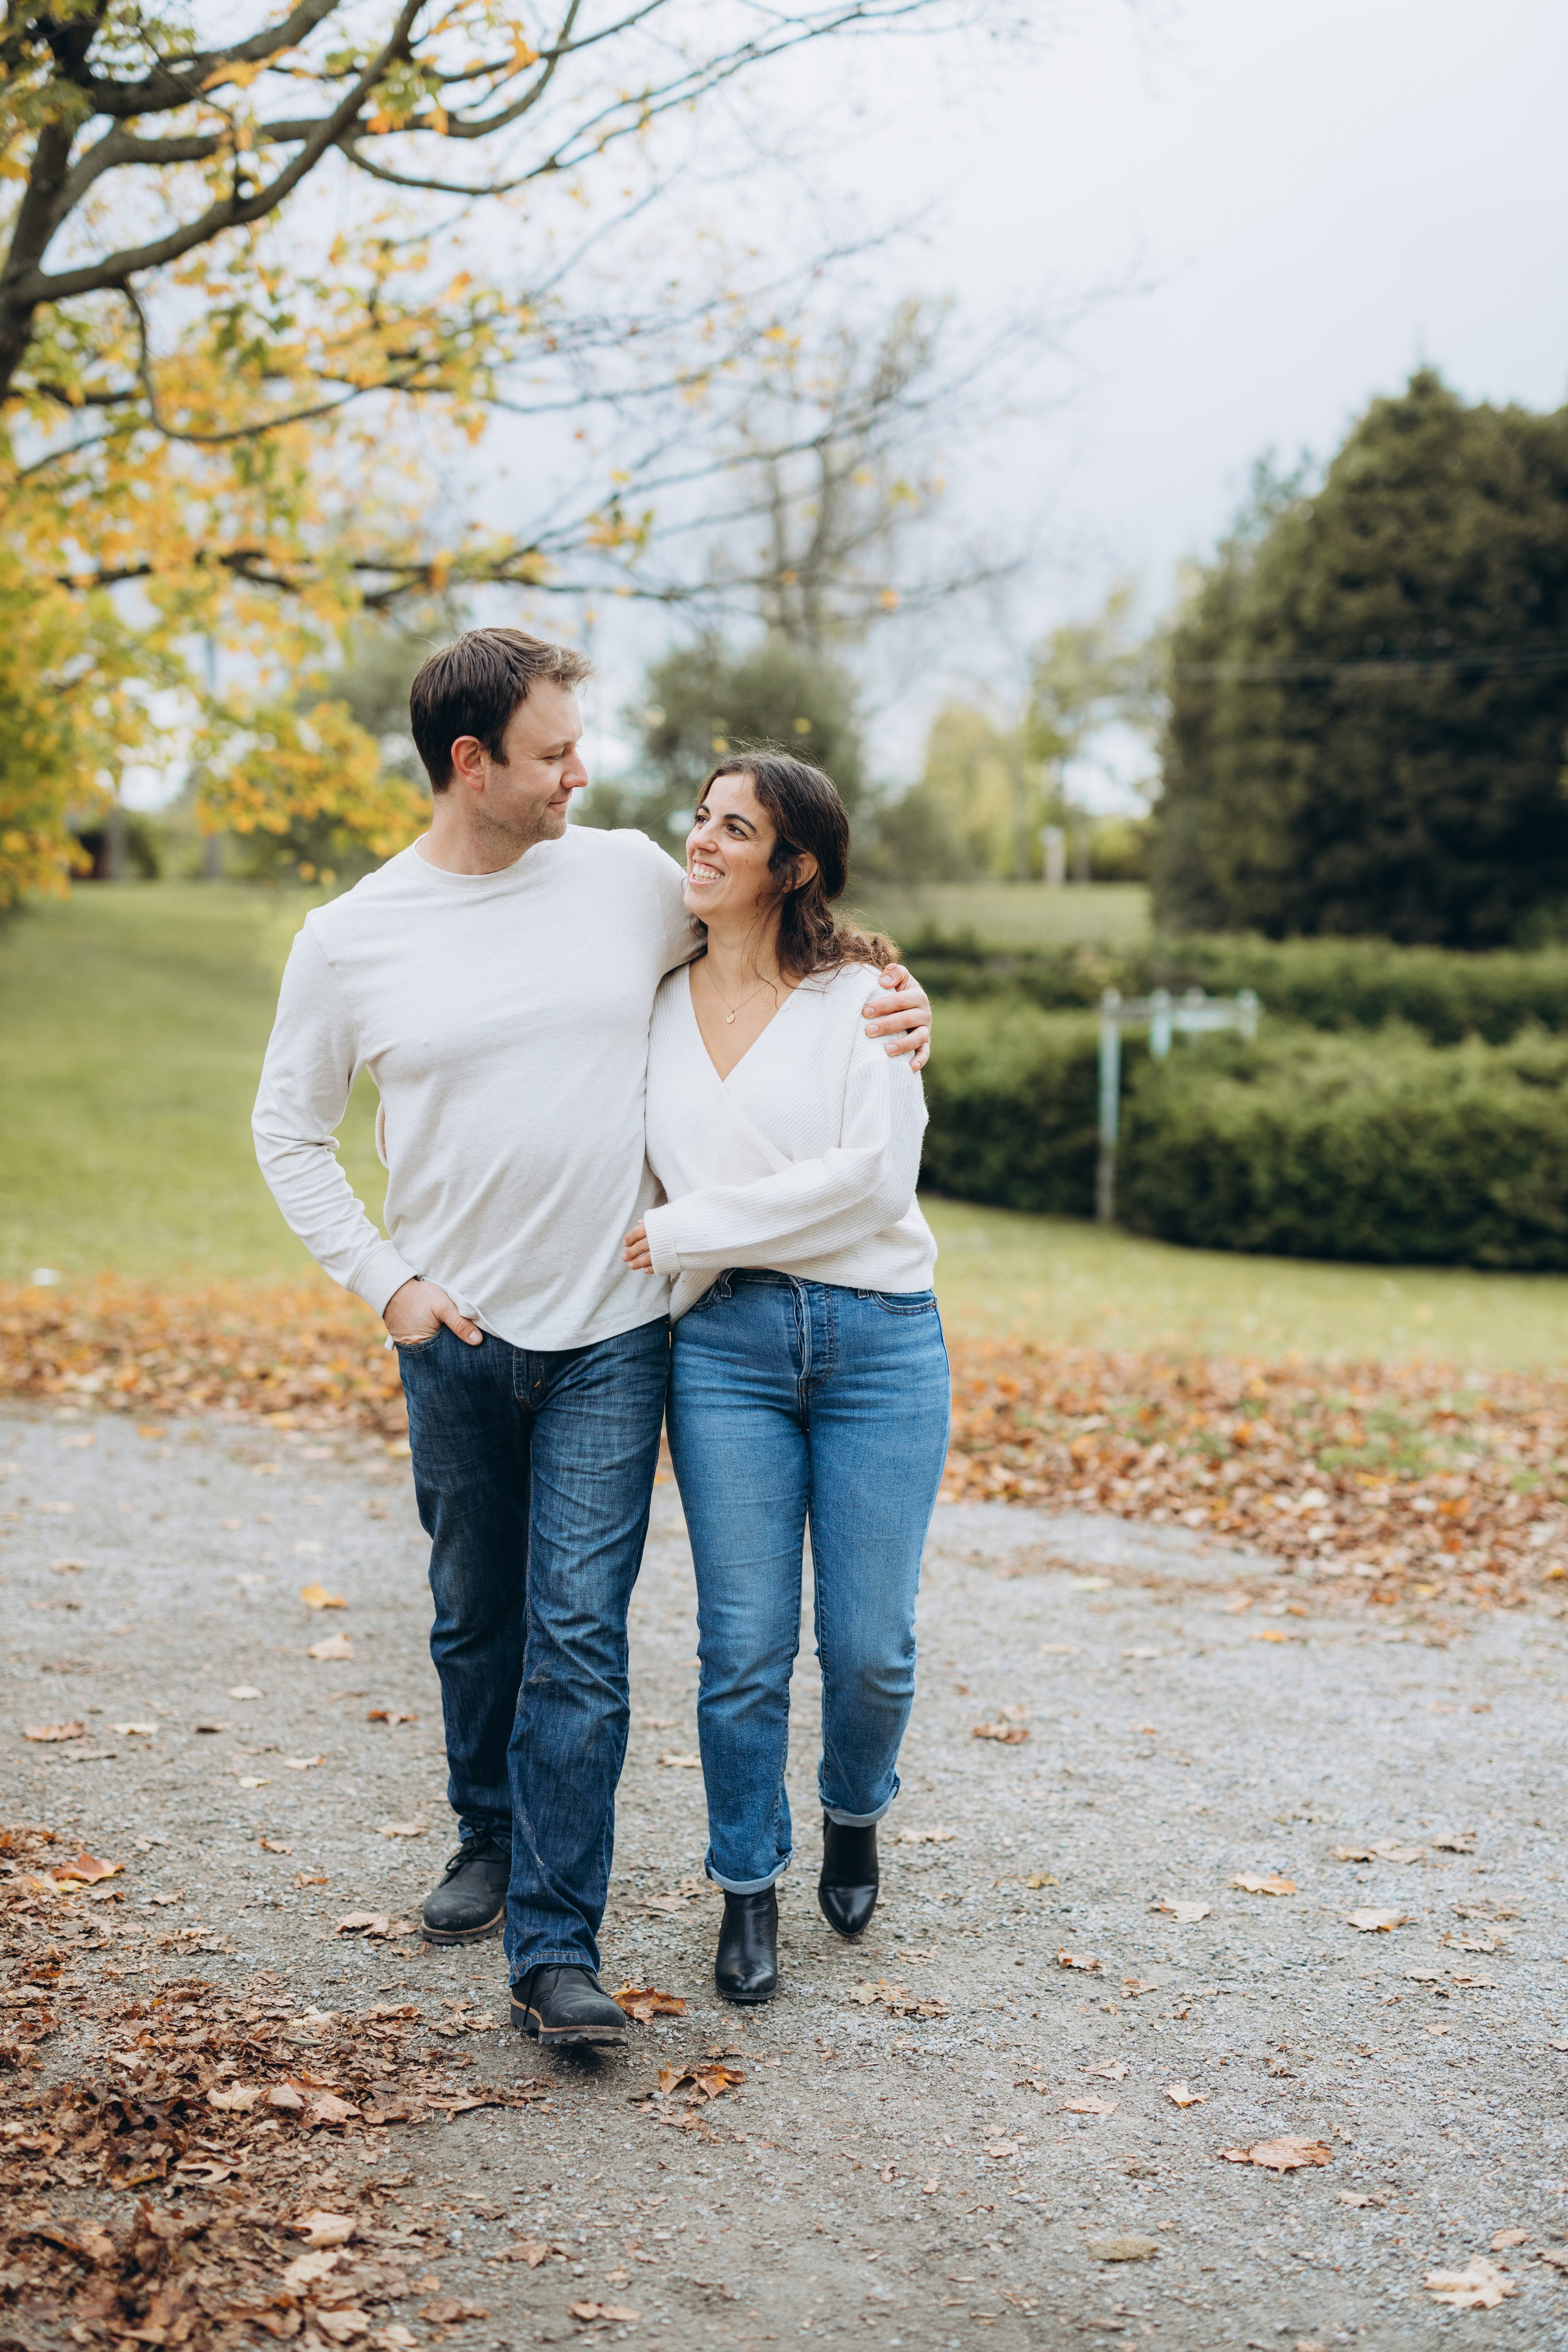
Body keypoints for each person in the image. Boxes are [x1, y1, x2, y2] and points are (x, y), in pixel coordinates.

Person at [251, 629, 932, 2048]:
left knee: (580, 1643)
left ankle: (556, 1949)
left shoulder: (625, 873)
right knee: (473, 1616)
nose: (584, 772)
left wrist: (898, 989)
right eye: (554, 751)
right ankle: (484, 1829)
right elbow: (288, 1131)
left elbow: (774, 940)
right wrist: (388, 1286)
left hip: (618, 1335)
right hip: (453, 1330)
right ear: (470, 764)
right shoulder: (351, 937)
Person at [622, 752, 949, 2004]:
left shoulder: (862, 996)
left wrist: (696, 1226)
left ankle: (853, 1810)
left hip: (878, 1343)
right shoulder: (650, 1005)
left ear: (792, 865)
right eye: (698, 819)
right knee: (742, 1646)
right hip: (725, 1355)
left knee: (869, 1649)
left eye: (734, 827)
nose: (701, 841)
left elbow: (873, 1182)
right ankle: (744, 1888)